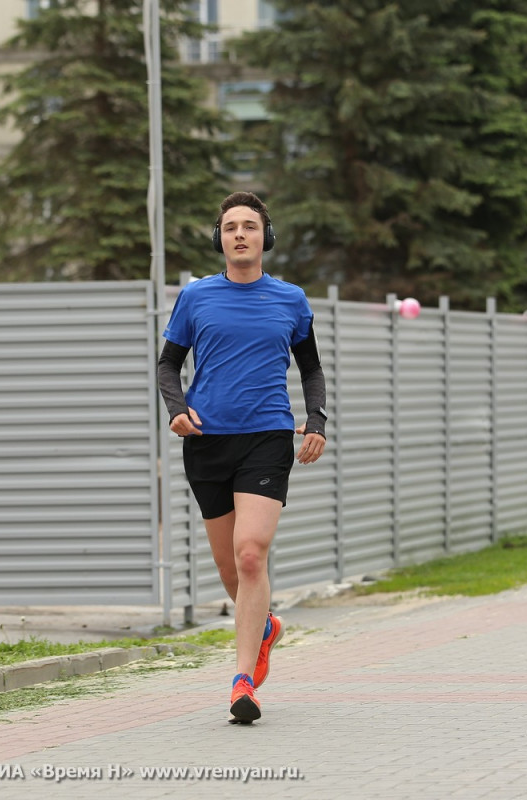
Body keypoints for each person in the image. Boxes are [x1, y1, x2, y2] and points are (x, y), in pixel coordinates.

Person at [157, 191, 327, 723]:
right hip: (207, 440)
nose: (239, 234)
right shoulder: (196, 298)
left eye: (249, 226)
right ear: (219, 239)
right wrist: (176, 410)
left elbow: (312, 370)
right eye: (230, 226)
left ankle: (241, 681)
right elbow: (168, 366)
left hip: (266, 438)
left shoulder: (291, 300)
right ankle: (266, 625)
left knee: (251, 553)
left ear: (265, 238)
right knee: (230, 567)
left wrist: (316, 420)